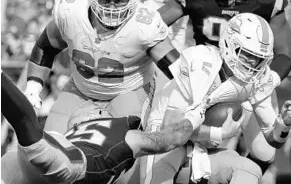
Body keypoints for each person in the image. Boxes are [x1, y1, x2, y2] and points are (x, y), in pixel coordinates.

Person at [157, 0, 291, 173]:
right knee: (182, 130)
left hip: (251, 73)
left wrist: (268, 80)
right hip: (208, 73)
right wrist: (178, 69)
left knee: (266, 151)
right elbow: (154, 30)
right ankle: (190, 170)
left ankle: (241, 172)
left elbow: (285, 52)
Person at [23, 0, 180, 135]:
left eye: (119, 1)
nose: (112, 8)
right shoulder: (72, 13)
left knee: (118, 145)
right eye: (105, 0)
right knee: (53, 140)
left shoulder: (144, 26)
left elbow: (175, 68)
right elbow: (46, 46)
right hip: (81, 90)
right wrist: (33, 87)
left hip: (128, 92)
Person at [139, 13, 291, 184]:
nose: (252, 63)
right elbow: (170, 128)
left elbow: (273, 139)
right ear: (230, 44)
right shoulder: (200, 62)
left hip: (198, 147)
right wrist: (219, 133)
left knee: (249, 170)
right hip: (163, 144)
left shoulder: (256, 80)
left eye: (259, 58)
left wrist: (284, 124)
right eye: (246, 54)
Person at [1, 70, 207, 184]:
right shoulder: (126, 135)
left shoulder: (121, 132)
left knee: (27, 127)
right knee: (27, 128)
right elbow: (172, 138)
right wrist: (194, 118)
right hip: (69, 165)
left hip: (58, 163)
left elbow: (170, 139)